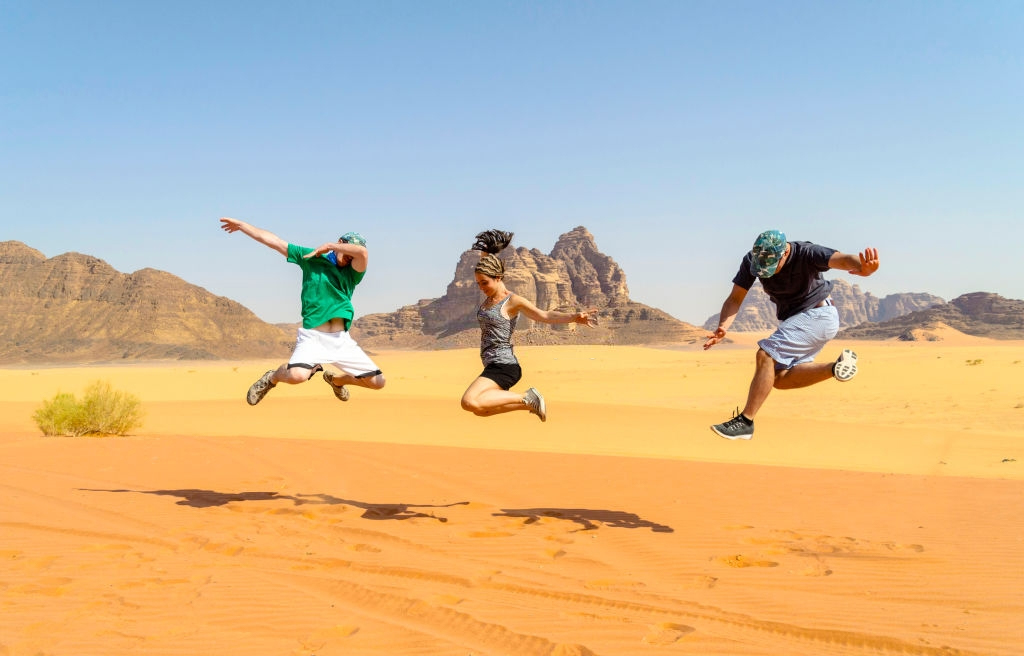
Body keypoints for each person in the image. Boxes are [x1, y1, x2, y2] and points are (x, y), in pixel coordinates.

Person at [704, 229, 879, 440]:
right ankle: (835, 367)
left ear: (784, 253)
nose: (765, 273)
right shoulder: (753, 261)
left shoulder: (806, 252)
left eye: (770, 267)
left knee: (765, 354)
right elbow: (735, 298)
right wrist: (723, 326)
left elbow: (841, 259)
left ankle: (745, 422)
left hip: (818, 314)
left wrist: (863, 267)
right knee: (778, 378)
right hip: (803, 321)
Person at [219, 217, 385, 405]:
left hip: (341, 340)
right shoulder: (311, 258)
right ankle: (271, 378)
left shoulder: (352, 273)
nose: (349, 258)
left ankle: (336, 380)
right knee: (297, 376)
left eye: (350, 255)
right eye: (346, 251)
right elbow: (274, 242)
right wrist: (242, 226)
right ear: (341, 244)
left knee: (378, 382)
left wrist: (331, 245)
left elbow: (362, 253)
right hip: (312, 337)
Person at [460, 229, 597, 422]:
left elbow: (544, 315)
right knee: (480, 410)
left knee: (469, 401)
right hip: (491, 364)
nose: (482, 288)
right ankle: (528, 404)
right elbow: (487, 262)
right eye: (478, 284)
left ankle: (527, 397)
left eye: (485, 283)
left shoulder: (512, 301)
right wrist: (486, 250)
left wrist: (574, 317)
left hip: (504, 365)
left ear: (498, 277)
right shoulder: (489, 296)